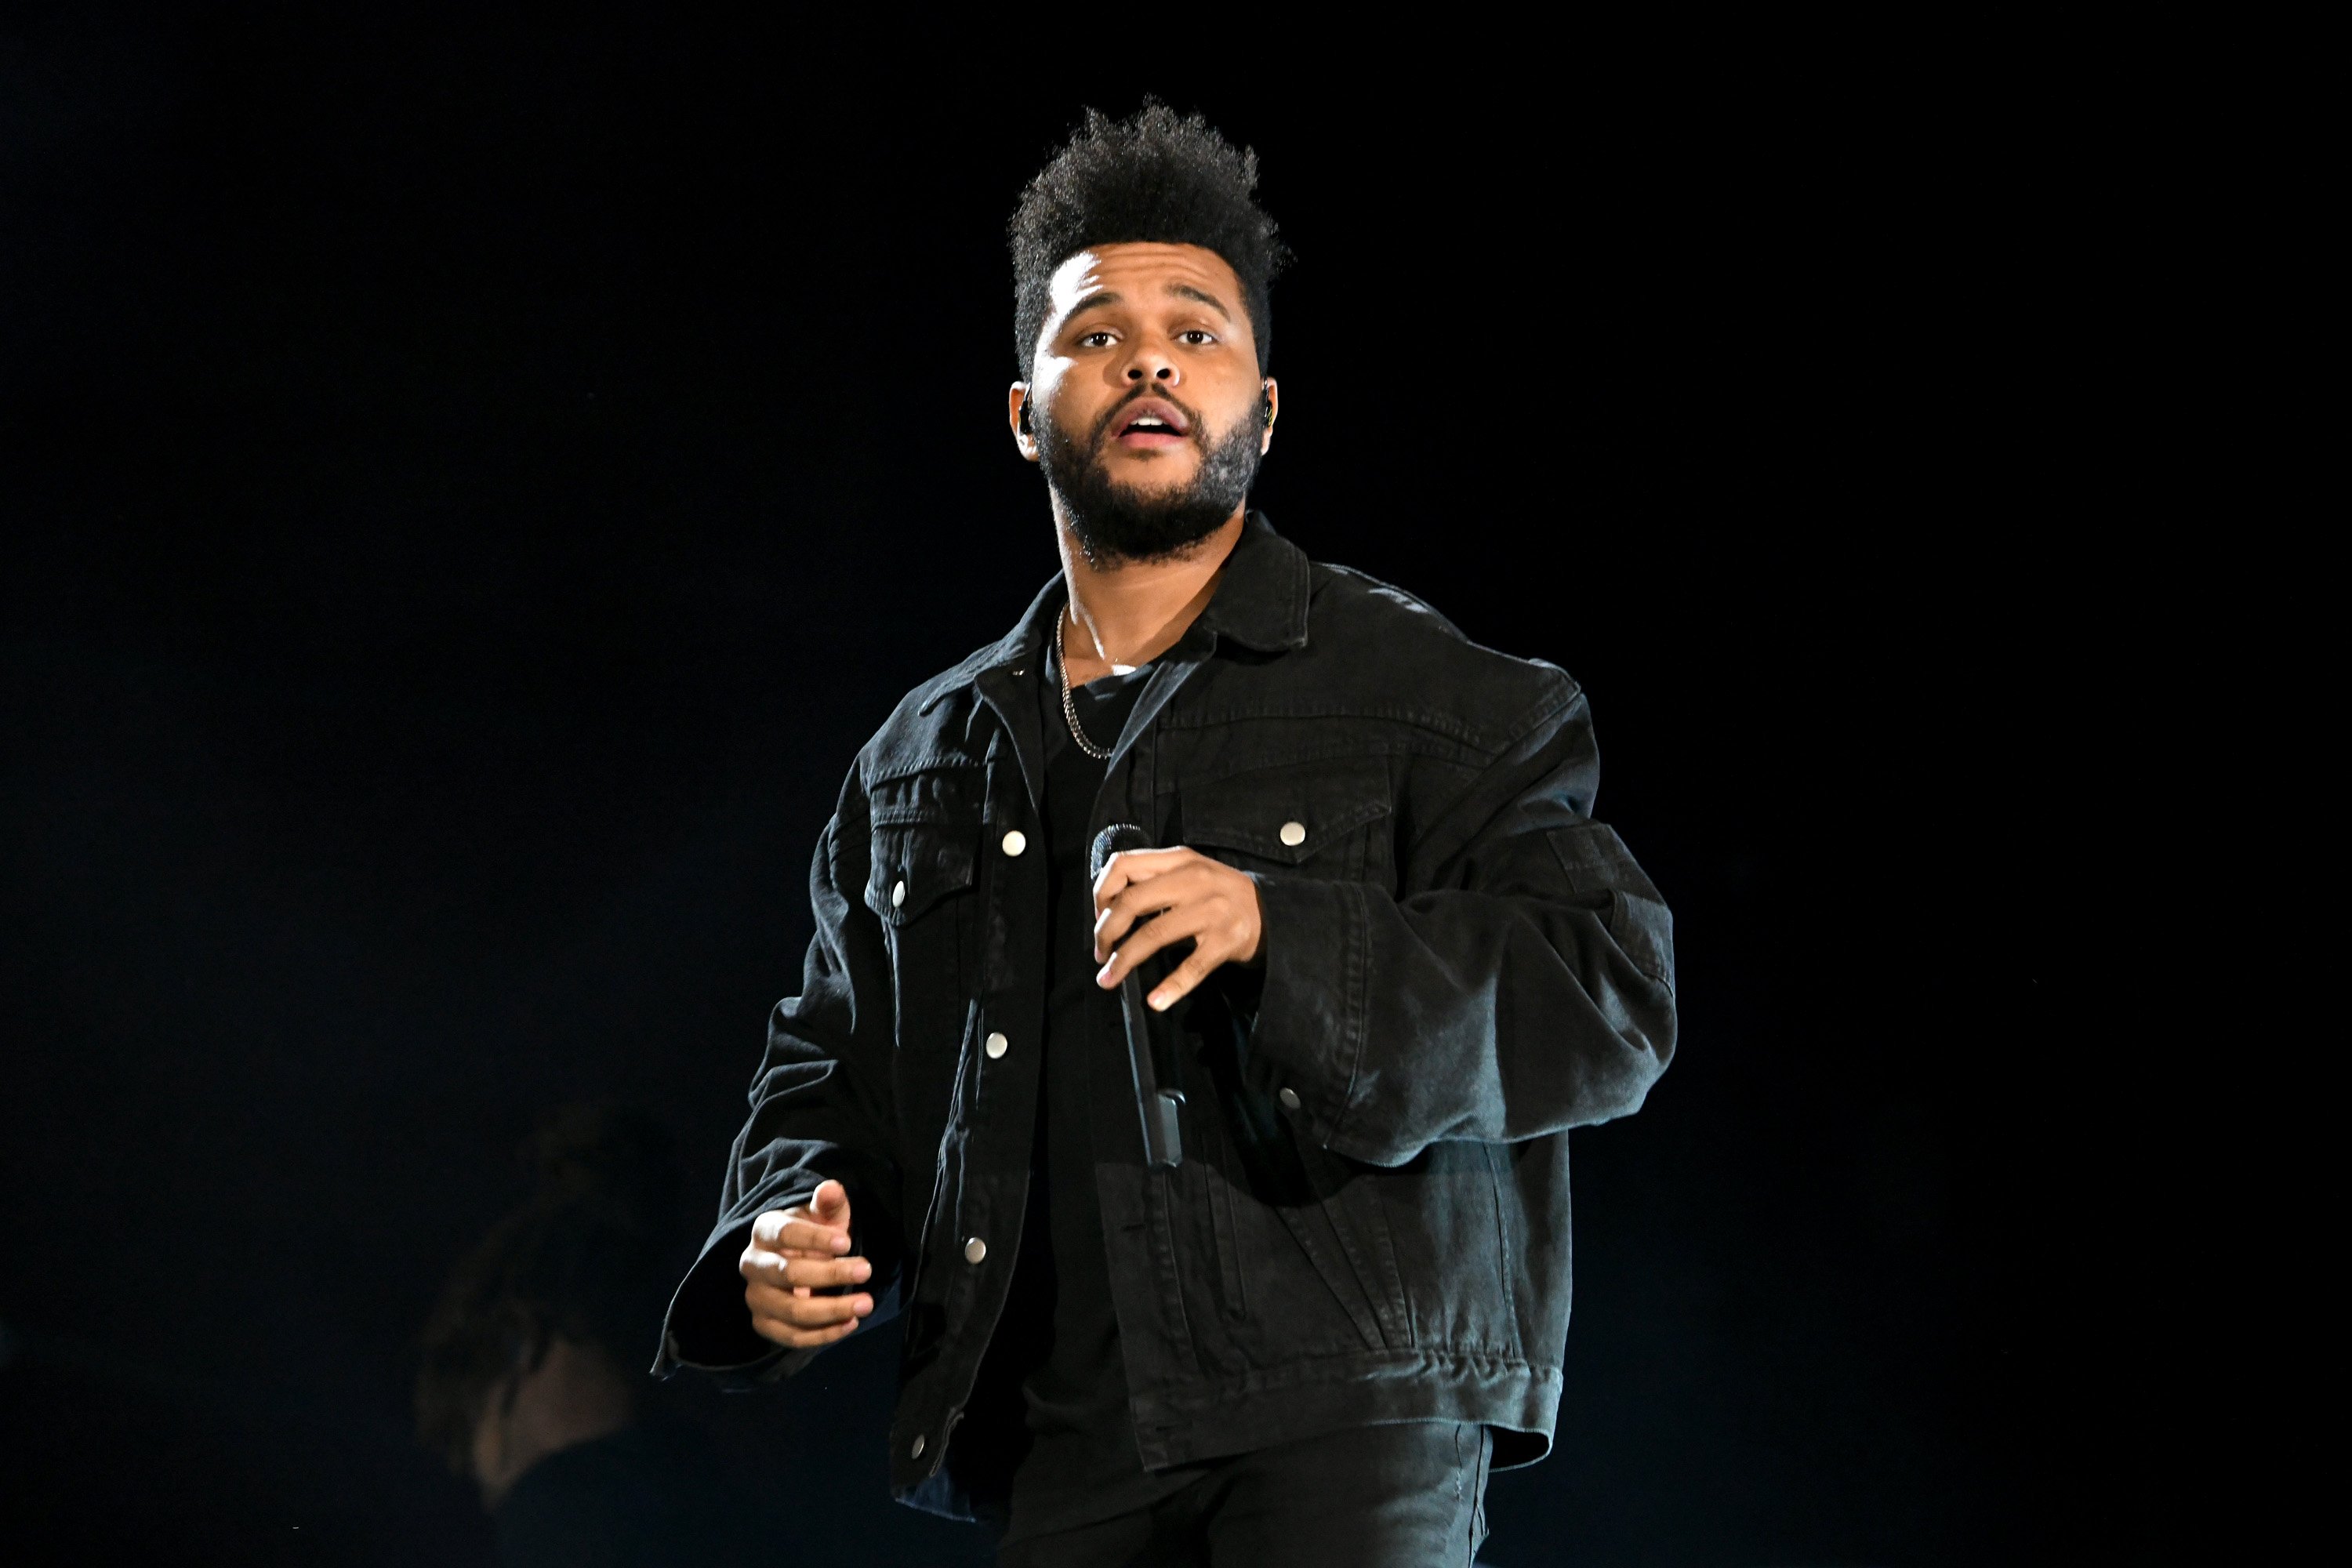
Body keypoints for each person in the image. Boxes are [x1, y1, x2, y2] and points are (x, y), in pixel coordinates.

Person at [655, 103, 1677, 1566]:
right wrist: (778, 1235)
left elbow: (1613, 994)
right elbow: (833, 1072)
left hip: (1348, 1423)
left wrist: (1284, 927)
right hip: (1057, 1451)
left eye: (1197, 332)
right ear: (1023, 411)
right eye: (1094, 332)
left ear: (1265, 407)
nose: (1147, 358)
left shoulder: (1437, 699)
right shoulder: (919, 761)